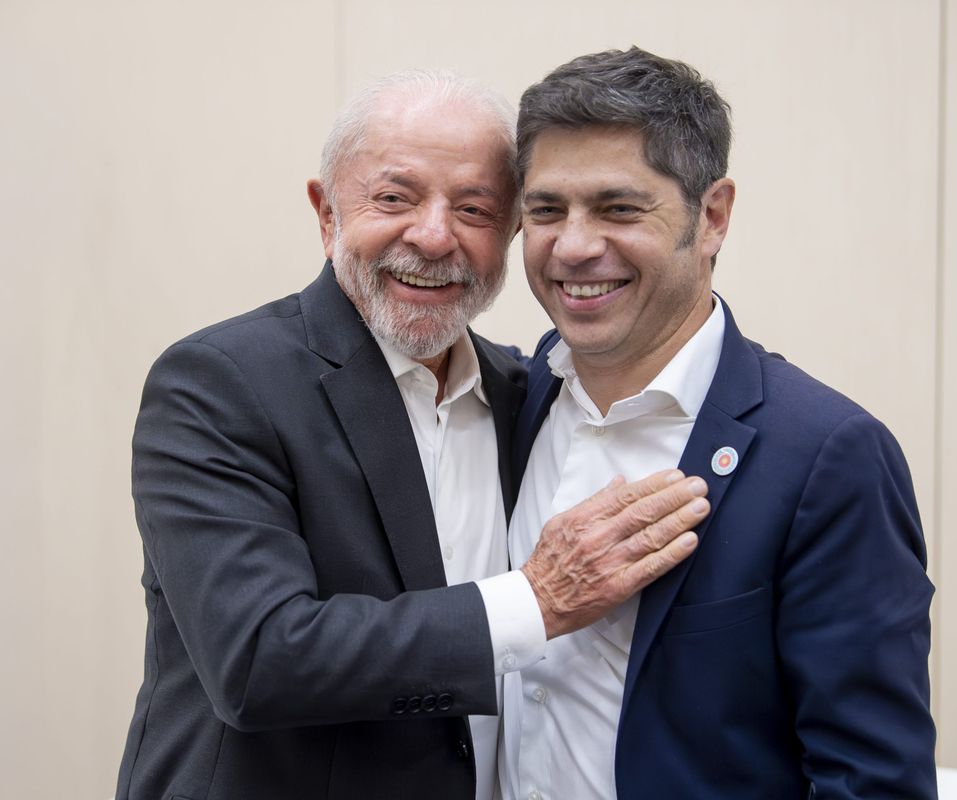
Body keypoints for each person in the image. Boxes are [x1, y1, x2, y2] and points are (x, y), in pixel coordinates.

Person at [115, 70, 710, 800]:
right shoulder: (219, 384)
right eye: (394, 198)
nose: (434, 236)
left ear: (513, 232)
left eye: (475, 208)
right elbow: (258, 661)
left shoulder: (524, 392)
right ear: (326, 213)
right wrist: (537, 600)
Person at [500, 48, 937, 800]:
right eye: (546, 210)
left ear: (713, 217)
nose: (572, 246)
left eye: (618, 208)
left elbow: (873, 781)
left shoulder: (826, 456)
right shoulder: (507, 399)